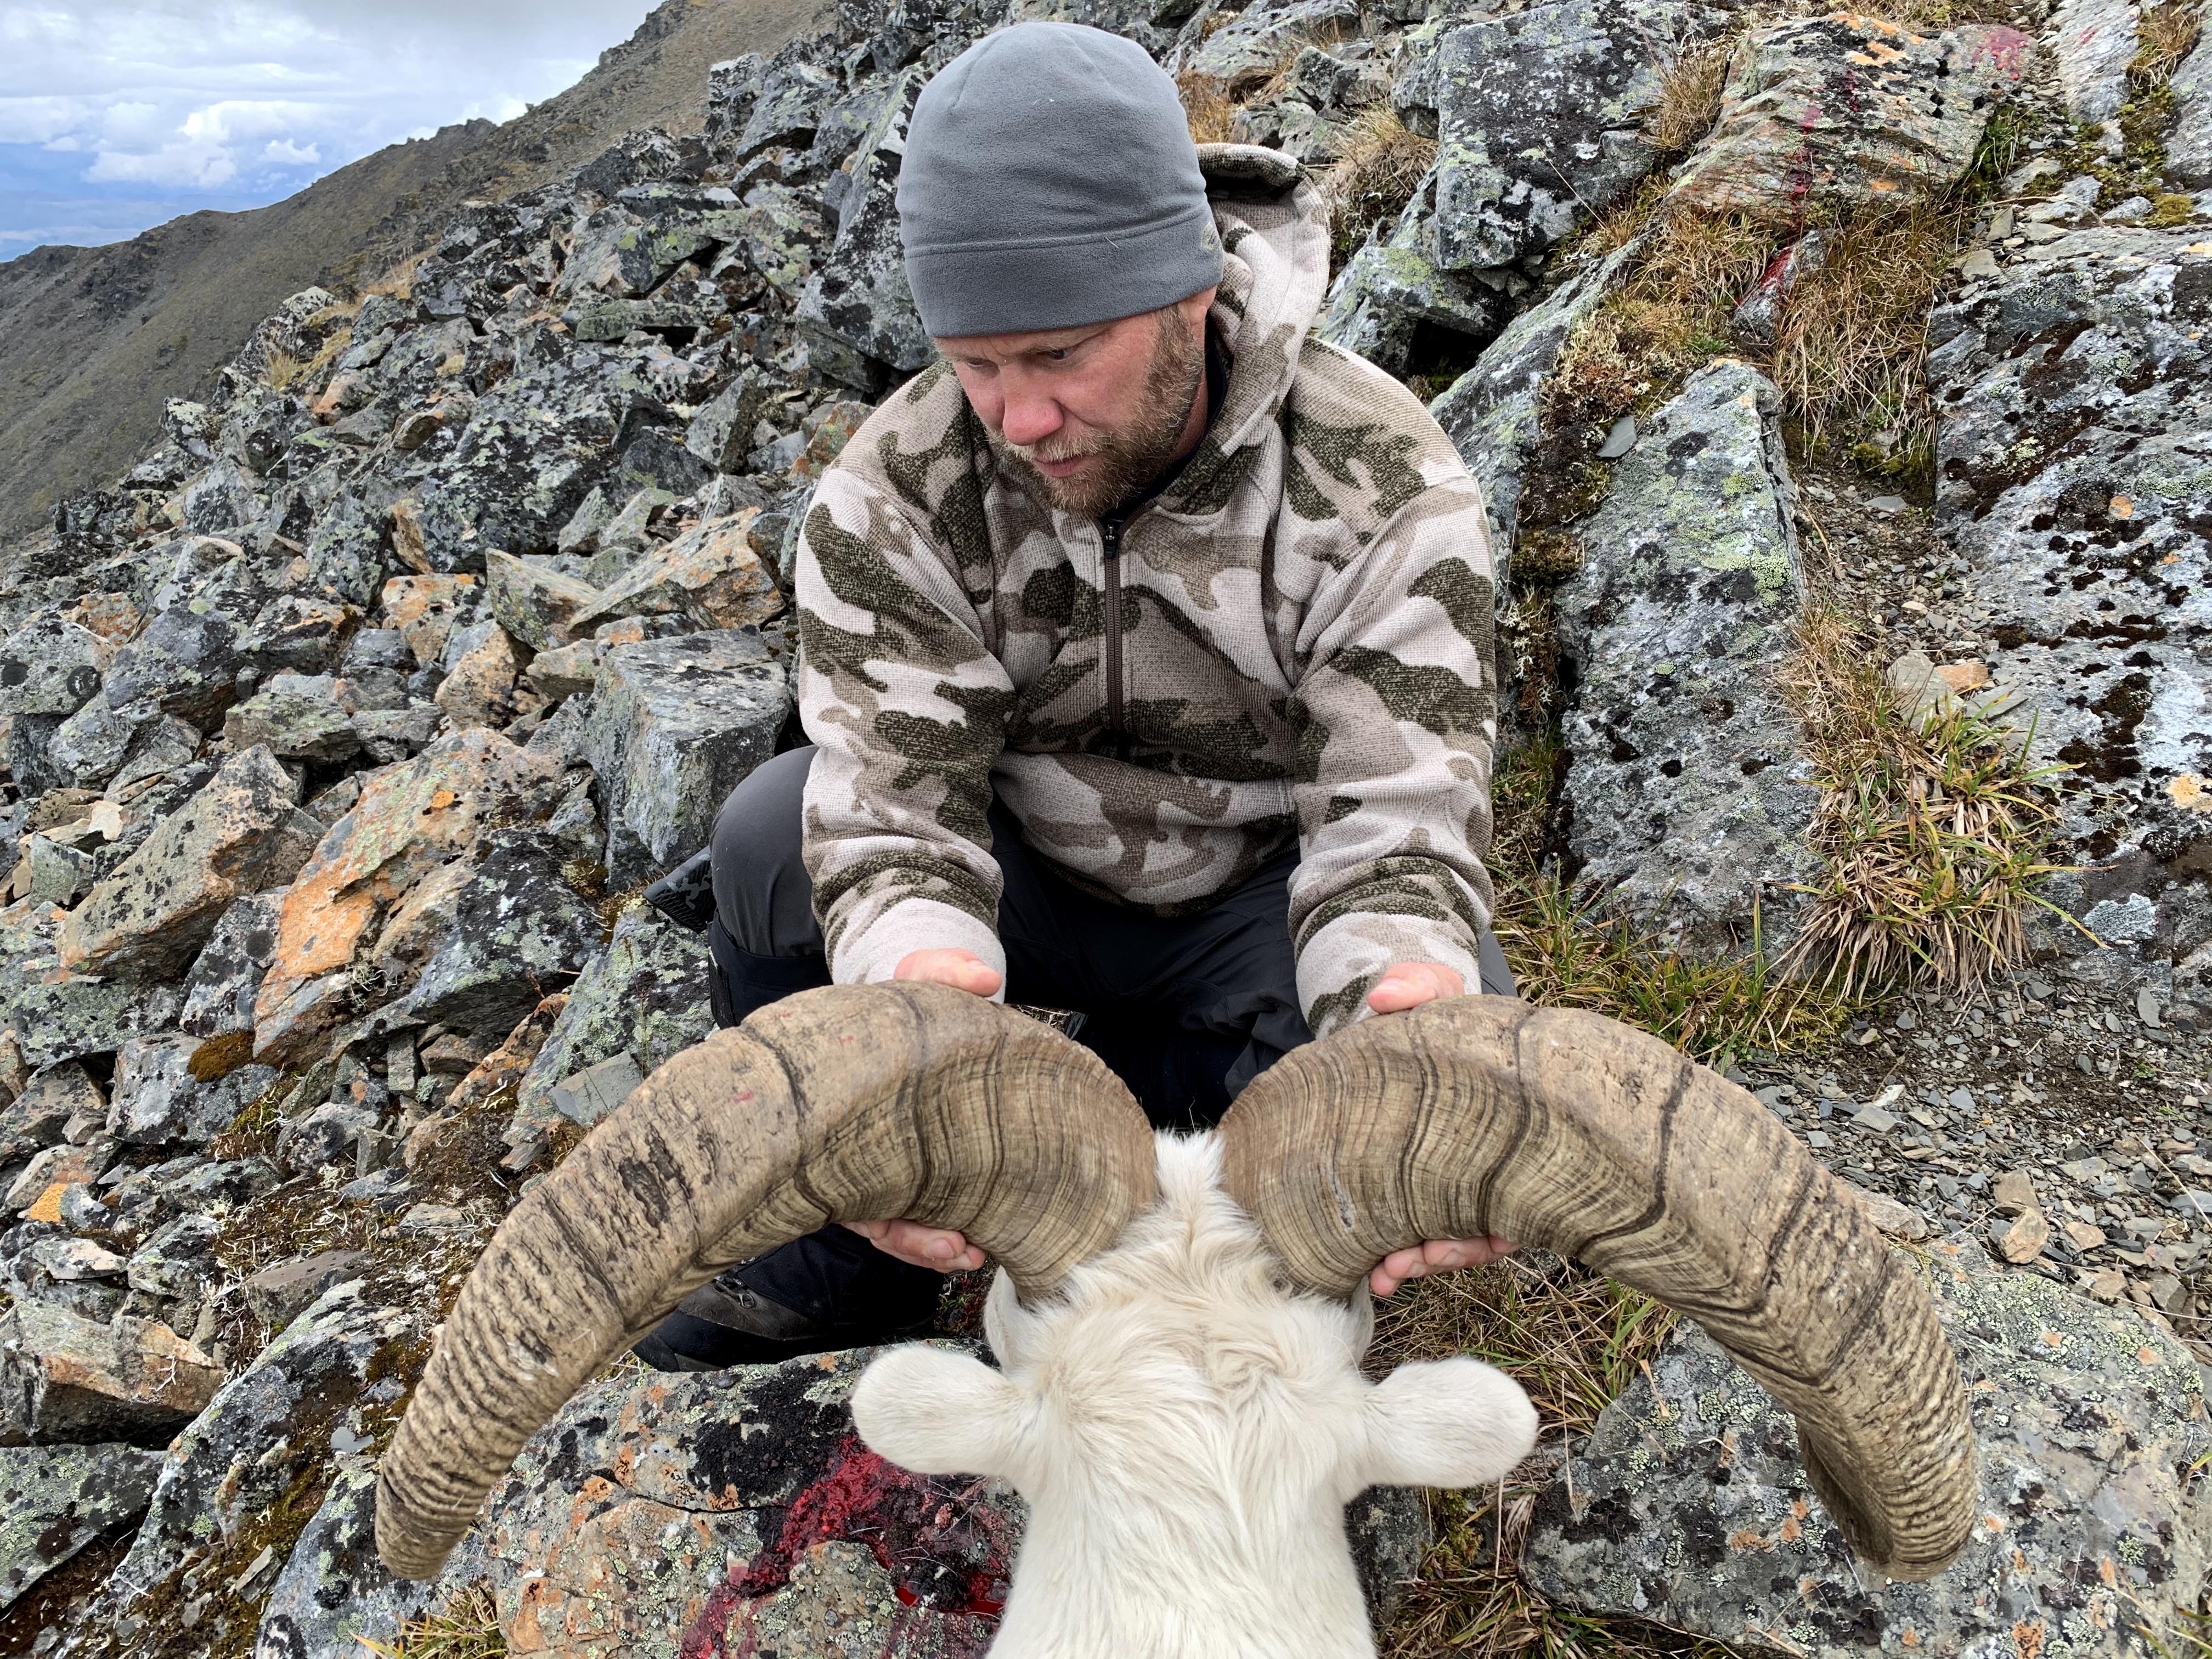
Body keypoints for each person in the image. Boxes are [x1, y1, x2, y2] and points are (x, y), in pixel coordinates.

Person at [636, 20, 1513, 1373]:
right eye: (974, 364)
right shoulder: (899, 488)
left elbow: (1397, 828)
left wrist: (1400, 1001)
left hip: (1255, 909)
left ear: (1184, 290)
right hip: (1021, 889)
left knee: (1426, 1023)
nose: (1017, 419)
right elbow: (890, 813)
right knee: (768, 843)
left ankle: (1221, 1265)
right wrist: (917, 1003)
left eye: (1059, 357)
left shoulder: (1380, 478)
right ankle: (835, 1263)